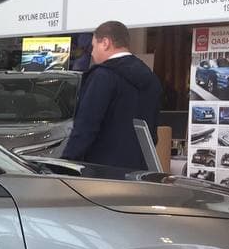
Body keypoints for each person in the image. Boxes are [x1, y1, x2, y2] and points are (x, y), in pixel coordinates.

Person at [61, 20, 161, 169]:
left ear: (105, 43)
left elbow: (86, 127)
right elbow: (152, 133)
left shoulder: (103, 76)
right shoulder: (152, 79)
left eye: (93, 46)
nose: (92, 53)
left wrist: (66, 162)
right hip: (140, 170)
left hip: (103, 171)